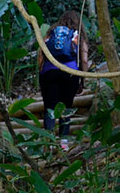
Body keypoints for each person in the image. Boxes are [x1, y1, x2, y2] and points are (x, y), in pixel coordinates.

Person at [38, 10, 90, 148]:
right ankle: (63, 143)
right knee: (66, 108)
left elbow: (40, 57)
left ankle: (48, 143)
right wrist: (82, 80)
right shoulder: (77, 34)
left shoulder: (50, 34)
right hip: (69, 73)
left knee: (49, 107)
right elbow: (84, 60)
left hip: (49, 72)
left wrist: (42, 74)